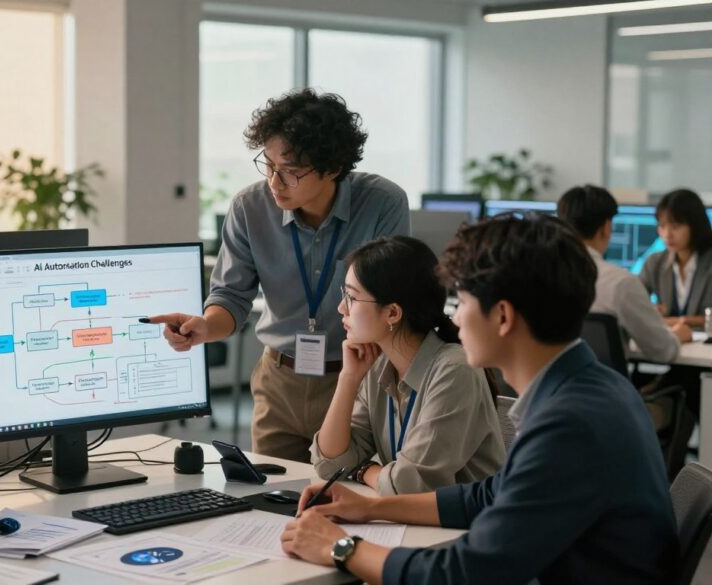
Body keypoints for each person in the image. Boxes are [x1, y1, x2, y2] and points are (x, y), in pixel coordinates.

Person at [280, 215, 677, 584]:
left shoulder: (569, 423)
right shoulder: (588, 388)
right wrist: (369, 508)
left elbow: (467, 573)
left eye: (464, 302)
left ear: (502, 316)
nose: (454, 319)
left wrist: (340, 547)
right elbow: (488, 495)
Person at [148, 89, 409, 462]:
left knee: (347, 489)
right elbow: (230, 297)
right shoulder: (249, 207)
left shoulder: (383, 203)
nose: (274, 181)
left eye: (291, 171)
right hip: (279, 378)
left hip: (359, 376)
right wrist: (205, 327)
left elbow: (391, 300)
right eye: (268, 165)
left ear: (333, 168)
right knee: (270, 488)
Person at [311, 236, 504, 495]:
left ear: (392, 313)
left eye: (352, 297)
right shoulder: (379, 365)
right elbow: (330, 463)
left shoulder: (454, 370)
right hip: (410, 516)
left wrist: (362, 470)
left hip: (468, 519)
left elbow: (409, 485)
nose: (341, 307)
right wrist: (348, 378)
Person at [557, 184, 689, 362]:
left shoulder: (540, 275)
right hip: (605, 380)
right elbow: (663, 351)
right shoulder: (620, 283)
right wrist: (678, 335)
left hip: (549, 380)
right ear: (607, 227)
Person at [641, 188, 712, 329]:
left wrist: (682, 321)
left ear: (694, 225)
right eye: (662, 226)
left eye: (675, 226)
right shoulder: (655, 262)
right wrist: (649, 309)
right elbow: (632, 299)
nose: (667, 234)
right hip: (668, 340)